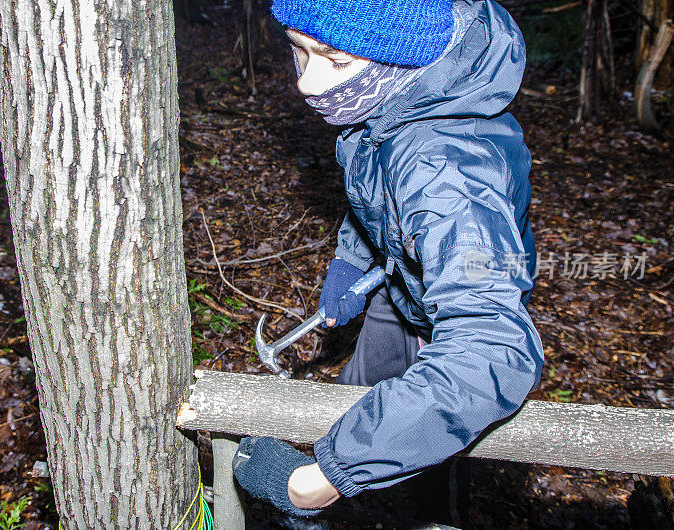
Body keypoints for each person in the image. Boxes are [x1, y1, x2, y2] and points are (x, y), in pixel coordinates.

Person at [232, 0, 545, 524]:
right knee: (357, 397)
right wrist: (351, 264)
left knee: (435, 442)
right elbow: (378, 197)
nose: (308, 84)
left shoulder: (447, 171)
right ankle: (370, 487)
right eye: (299, 52)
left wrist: (318, 480)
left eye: (334, 59)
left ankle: (424, 505)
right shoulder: (383, 101)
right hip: (400, 287)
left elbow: (492, 350)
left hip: (455, 308)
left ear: (401, 54)